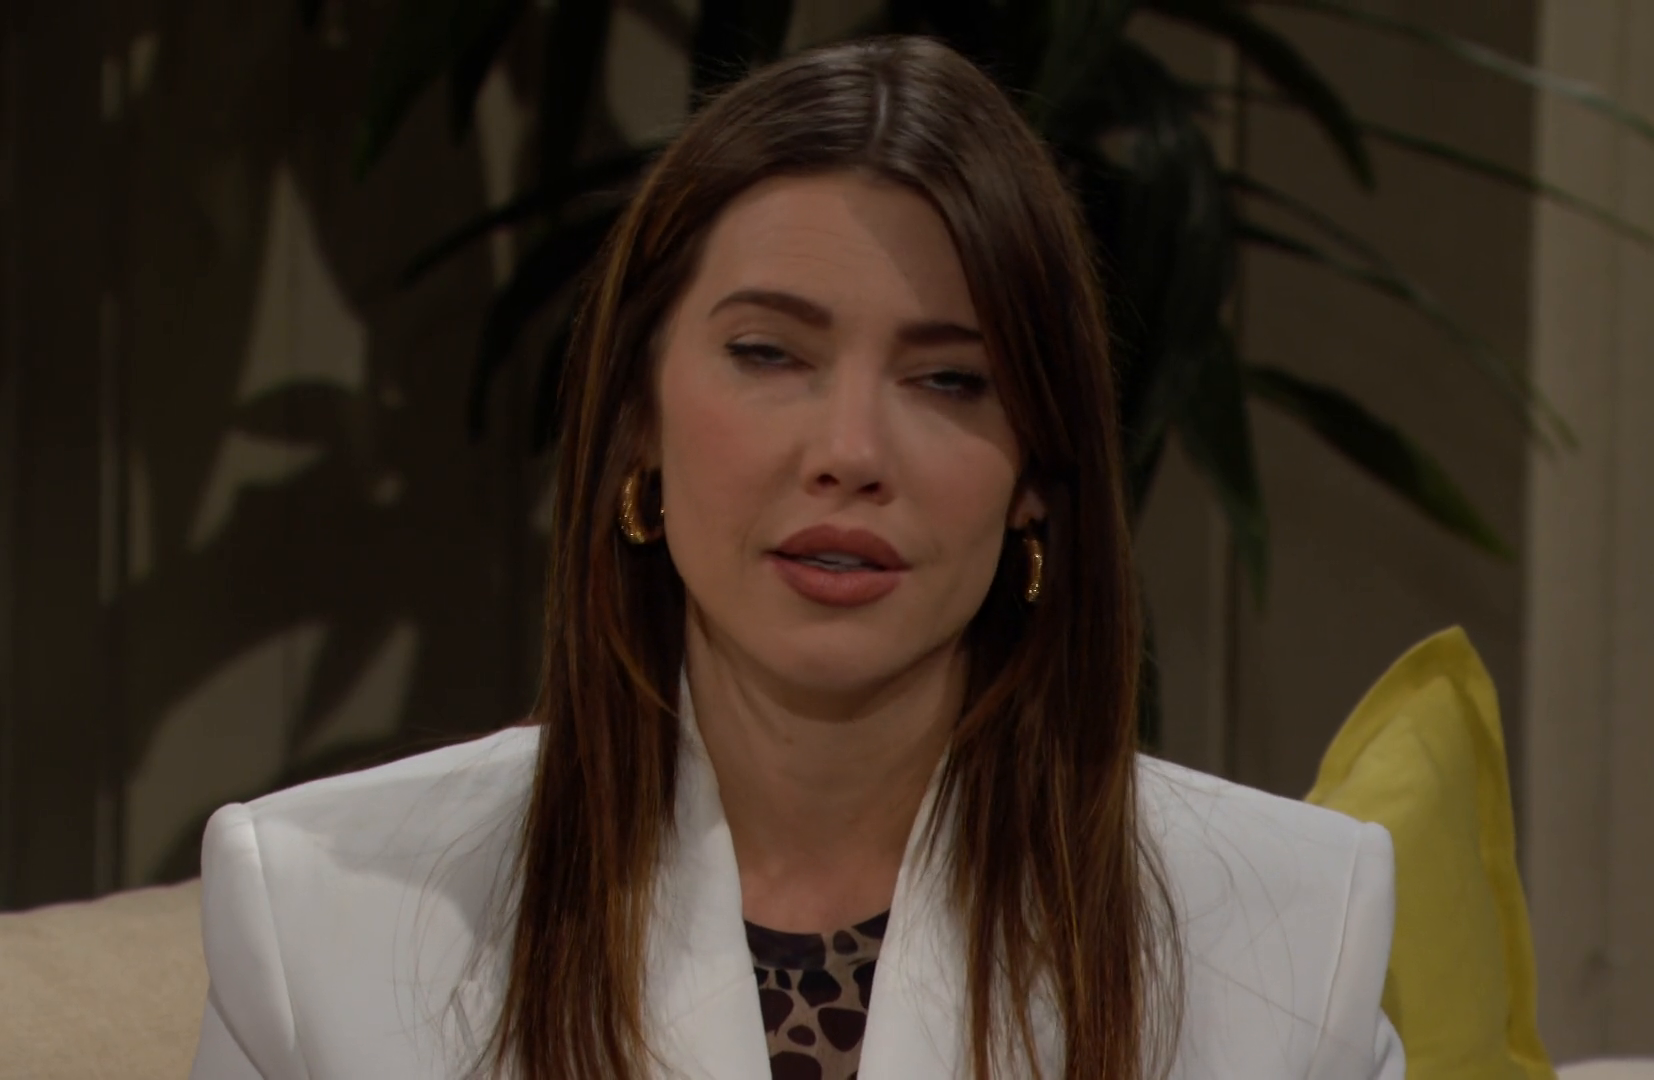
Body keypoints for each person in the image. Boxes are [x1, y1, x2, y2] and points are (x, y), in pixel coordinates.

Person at [188, 34, 1403, 1080]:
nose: (849, 453)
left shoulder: (1289, 932)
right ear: (637, 417)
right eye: (769, 354)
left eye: (950, 379)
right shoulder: (324, 918)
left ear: (1038, 473)